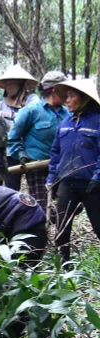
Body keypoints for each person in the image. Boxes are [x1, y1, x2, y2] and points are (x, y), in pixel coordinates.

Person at [46, 79, 100, 263]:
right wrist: (52, 179)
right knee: (62, 226)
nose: (66, 100)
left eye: (71, 96)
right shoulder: (65, 124)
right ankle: (64, 264)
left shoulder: (97, 121)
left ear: (84, 98)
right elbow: (55, 153)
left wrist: (98, 177)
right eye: (66, 96)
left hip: (92, 184)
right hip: (67, 183)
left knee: (98, 225)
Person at [6, 72, 70, 211]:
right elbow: (13, 138)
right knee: (42, 208)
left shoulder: (68, 113)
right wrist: (21, 155)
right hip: (38, 168)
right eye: (65, 90)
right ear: (54, 90)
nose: (68, 94)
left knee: (70, 206)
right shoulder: (31, 111)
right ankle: (39, 229)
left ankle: (57, 228)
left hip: (64, 168)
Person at [0, 64, 40, 190]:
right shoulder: (1, 103)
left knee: (36, 188)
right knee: (11, 189)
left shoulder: (32, 99)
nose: (8, 86)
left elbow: (29, 115)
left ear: (21, 84)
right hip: (10, 150)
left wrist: (5, 115)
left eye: (12, 84)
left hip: (30, 150)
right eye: (6, 84)